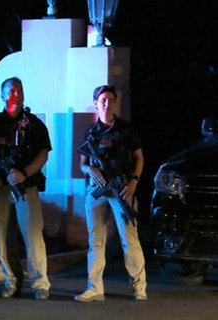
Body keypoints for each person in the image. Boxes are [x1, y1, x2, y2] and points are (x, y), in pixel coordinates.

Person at [0, 77, 51, 300]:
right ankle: (12, 281)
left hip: (26, 185)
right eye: (11, 90)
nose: (16, 93)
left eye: (19, 90)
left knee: (33, 235)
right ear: (3, 96)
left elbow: (43, 154)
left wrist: (25, 173)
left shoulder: (33, 124)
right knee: (4, 237)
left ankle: (40, 284)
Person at [74, 85, 147, 302]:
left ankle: (139, 287)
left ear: (115, 102)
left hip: (122, 188)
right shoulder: (91, 132)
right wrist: (91, 169)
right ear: (96, 102)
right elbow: (82, 164)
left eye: (110, 100)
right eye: (102, 100)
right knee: (96, 240)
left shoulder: (126, 129)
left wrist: (134, 181)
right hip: (97, 190)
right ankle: (94, 288)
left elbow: (139, 158)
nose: (106, 103)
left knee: (129, 239)